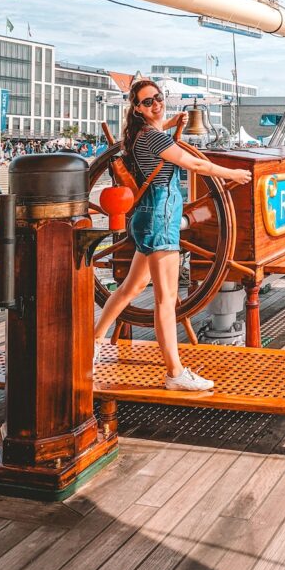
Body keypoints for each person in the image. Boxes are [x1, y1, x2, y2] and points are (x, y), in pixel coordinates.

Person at [93, 80, 251, 391]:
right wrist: (232, 174)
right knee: (166, 300)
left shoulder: (138, 135)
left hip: (144, 217)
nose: (156, 104)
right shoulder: (152, 138)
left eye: (159, 98)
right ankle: (175, 372)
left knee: (130, 287)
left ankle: (94, 342)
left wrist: (169, 121)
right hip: (162, 217)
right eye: (148, 101)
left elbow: (157, 136)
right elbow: (191, 163)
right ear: (137, 108)